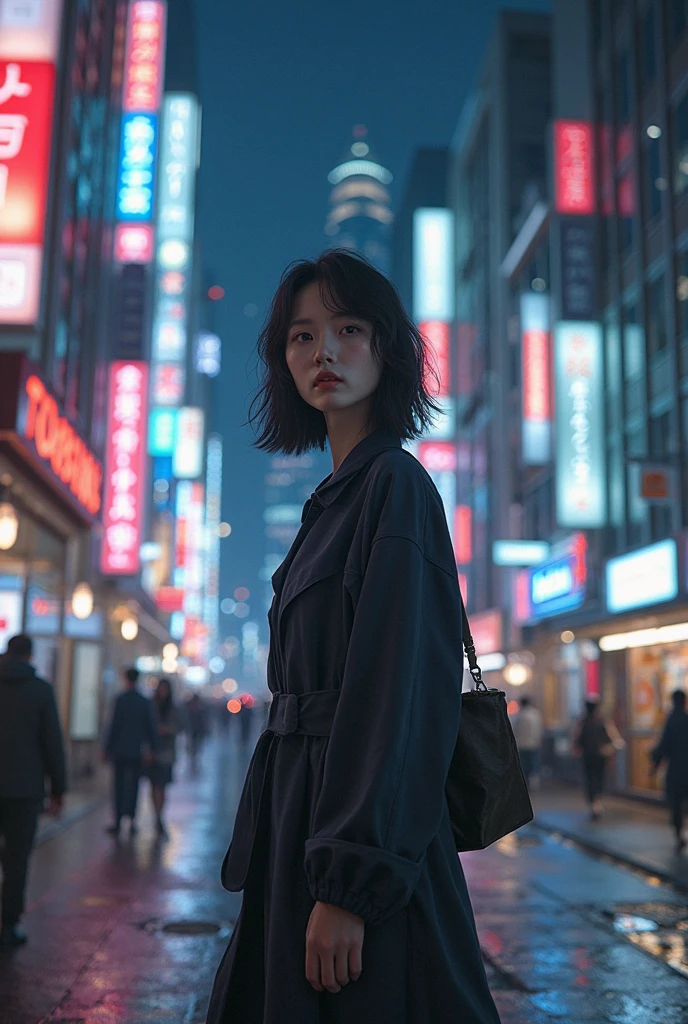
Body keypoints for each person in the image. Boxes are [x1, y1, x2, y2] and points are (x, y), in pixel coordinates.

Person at [207, 251, 500, 1023]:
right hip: (301, 826)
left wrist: (351, 884)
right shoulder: (335, 500)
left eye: (348, 329)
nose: (323, 353)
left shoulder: (395, 489)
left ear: (389, 348)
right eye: (301, 338)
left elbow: (398, 699)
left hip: (353, 847)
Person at [0, 634, 66, 947]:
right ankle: (8, 925)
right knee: (16, 860)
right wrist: (59, 789)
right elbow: (52, 743)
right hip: (25, 789)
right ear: (30, 656)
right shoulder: (41, 691)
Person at [103, 667, 157, 838]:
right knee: (134, 785)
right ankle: (132, 819)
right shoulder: (143, 701)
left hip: (120, 750)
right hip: (136, 750)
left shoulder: (120, 700)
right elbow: (150, 726)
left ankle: (118, 819)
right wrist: (153, 748)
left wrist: (107, 748)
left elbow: (113, 726)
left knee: (118, 785)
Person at [650, 689, 688, 853]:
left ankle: (679, 835)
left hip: (676, 770)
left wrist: (655, 765)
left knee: (676, 803)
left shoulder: (671, 721)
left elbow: (664, 746)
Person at [574, 699, 621, 820]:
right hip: (601, 755)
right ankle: (597, 802)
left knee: (590, 779)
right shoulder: (603, 721)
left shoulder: (583, 722)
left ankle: (593, 803)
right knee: (600, 778)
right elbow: (613, 737)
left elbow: (578, 739)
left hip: (588, 756)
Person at [148, 678, 182, 838]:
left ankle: (159, 815)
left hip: (167, 753)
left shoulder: (173, 708)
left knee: (162, 786)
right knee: (154, 784)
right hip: (153, 752)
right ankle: (156, 815)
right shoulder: (151, 706)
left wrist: (168, 729)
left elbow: (180, 726)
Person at [513, 695, 543, 790]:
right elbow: (539, 729)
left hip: (522, 744)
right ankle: (534, 783)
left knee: (524, 765)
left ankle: (525, 783)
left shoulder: (519, 715)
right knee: (534, 764)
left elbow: (515, 730)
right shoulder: (536, 714)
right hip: (534, 744)